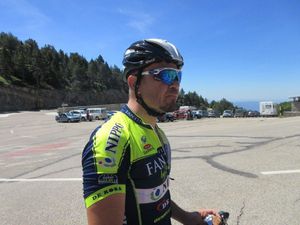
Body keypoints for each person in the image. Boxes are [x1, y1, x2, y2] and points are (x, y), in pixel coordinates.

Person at [82, 38, 220, 225]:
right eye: (166, 75)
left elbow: (156, 196)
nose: (175, 84)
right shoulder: (112, 140)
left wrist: (188, 218)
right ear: (134, 82)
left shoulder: (156, 132)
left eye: (178, 76)